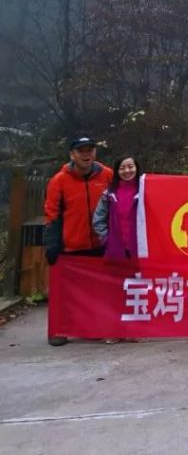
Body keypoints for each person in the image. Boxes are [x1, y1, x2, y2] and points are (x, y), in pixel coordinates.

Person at [44, 136, 115, 347]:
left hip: (100, 244)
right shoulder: (59, 180)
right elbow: (52, 213)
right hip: (71, 245)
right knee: (64, 292)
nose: (86, 154)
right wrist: (52, 243)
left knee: (97, 291)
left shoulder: (107, 175)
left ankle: (91, 328)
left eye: (90, 150)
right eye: (81, 151)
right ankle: (59, 330)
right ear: (72, 154)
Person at [92, 156, 141, 260]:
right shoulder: (108, 194)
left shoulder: (146, 191)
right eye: (122, 168)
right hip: (116, 249)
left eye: (130, 166)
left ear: (136, 168)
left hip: (141, 249)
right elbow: (98, 219)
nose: (127, 171)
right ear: (117, 171)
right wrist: (106, 240)